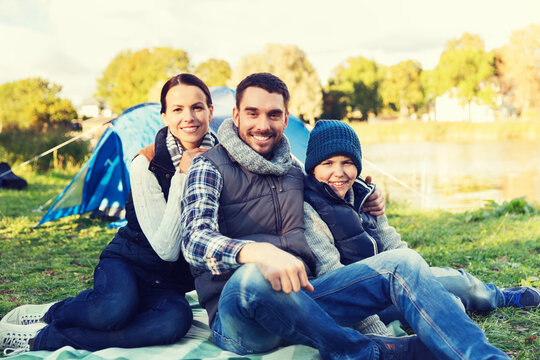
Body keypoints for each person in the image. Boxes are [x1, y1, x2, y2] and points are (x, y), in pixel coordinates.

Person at [181, 72, 509, 360]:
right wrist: (255, 252)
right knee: (253, 277)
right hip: (241, 318)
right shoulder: (208, 166)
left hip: (308, 298)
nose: (263, 124)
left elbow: (334, 189)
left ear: (286, 117)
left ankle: (482, 356)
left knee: (403, 262)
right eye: (252, 113)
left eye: (273, 114)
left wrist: (365, 194)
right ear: (235, 114)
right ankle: (359, 349)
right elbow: (193, 239)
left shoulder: (294, 169)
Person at [0, 73, 217, 356]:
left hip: (169, 285)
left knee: (173, 322)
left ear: (211, 111)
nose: (188, 117)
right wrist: (183, 175)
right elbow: (166, 249)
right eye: (177, 109)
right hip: (128, 263)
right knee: (111, 309)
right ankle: (53, 314)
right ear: (164, 116)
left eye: (197, 107)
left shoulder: (222, 161)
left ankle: (45, 338)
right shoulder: (146, 163)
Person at [302, 119, 540, 335]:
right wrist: (379, 334)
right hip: (367, 303)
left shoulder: (364, 195)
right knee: (450, 303)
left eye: (347, 162)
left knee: (459, 281)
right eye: (328, 163)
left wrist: (422, 277)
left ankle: (498, 295)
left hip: (395, 281)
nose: (339, 172)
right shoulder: (309, 209)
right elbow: (335, 279)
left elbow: (392, 242)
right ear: (313, 168)